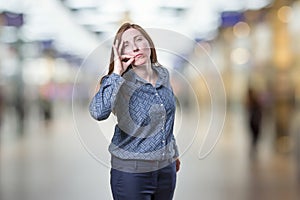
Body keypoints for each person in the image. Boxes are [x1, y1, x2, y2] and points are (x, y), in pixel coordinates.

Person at [89, 23, 180, 200]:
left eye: (139, 40)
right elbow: (98, 112)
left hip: (166, 170)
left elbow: (164, 118)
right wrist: (116, 73)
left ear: (149, 44)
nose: (135, 47)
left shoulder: (163, 75)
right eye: (127, 45)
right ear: (120, 53)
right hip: (132, 172)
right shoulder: (118, 82)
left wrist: (172, 152)